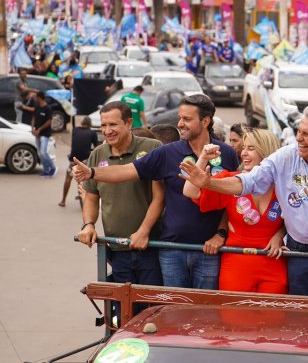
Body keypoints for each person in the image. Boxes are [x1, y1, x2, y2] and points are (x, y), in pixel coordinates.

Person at [178, 105, 308, 298]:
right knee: (299, 312)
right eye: (299, 132)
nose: (299, 138)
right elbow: (248, 181)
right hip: (298, 250)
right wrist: (209, 183)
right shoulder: (285, 157)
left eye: (306, 134)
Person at [72, 94, 239, 289]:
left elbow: (232, 200)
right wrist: (91, 172)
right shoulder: (167, 153)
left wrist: (220, 234)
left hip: (210, 252)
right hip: (171, 250)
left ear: (205, 121)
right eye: (180, 118)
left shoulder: (226, 153)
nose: (180, 124)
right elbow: (127, 171)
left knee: (205, 313)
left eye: (187, 119)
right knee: (170, 312)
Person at [76, 102, 165, 297]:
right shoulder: (97, 154)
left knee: (151, 311)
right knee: (122, 312)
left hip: (151, 247)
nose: (107, 131)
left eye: (113, 125)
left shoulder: (152, 148)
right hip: (116, 249)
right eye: (103, 125)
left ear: (129, 123)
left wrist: (143, 232)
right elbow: (91, 197)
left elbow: (160, 197)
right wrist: (89, 224)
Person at [184, 129, 287, 293]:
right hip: (236, 264)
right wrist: (203, 158)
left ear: (267, 151)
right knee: (234, 317)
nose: (244, 153)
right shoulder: (232, 180)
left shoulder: (284, 184)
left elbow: (296, 217)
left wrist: (280, 234)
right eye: (244, 148)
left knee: (274, 317)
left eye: (251, 148)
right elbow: (190, 191)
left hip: (274, 264)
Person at [61, 116, 99, 207]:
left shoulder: (75, 130)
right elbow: (96, 147)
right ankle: (84, 201)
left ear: (82, 123)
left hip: (73, 159)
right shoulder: (92, 133)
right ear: (90, 124)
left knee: (68, 178)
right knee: (82, 180)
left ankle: (63, 200)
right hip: (84, 160)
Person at [32, 91, 57, 178]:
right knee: (39, 153)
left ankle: (53, 168)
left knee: (43, 152)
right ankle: (46, 170)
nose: (35, 99)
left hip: (45, 133)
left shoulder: (47, 108)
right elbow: (34, 118)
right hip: (37, 133)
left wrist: (40, 129)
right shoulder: (37, 107)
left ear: (40, 97)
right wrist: (33, 129)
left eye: (36, 97)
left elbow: (49, 121)